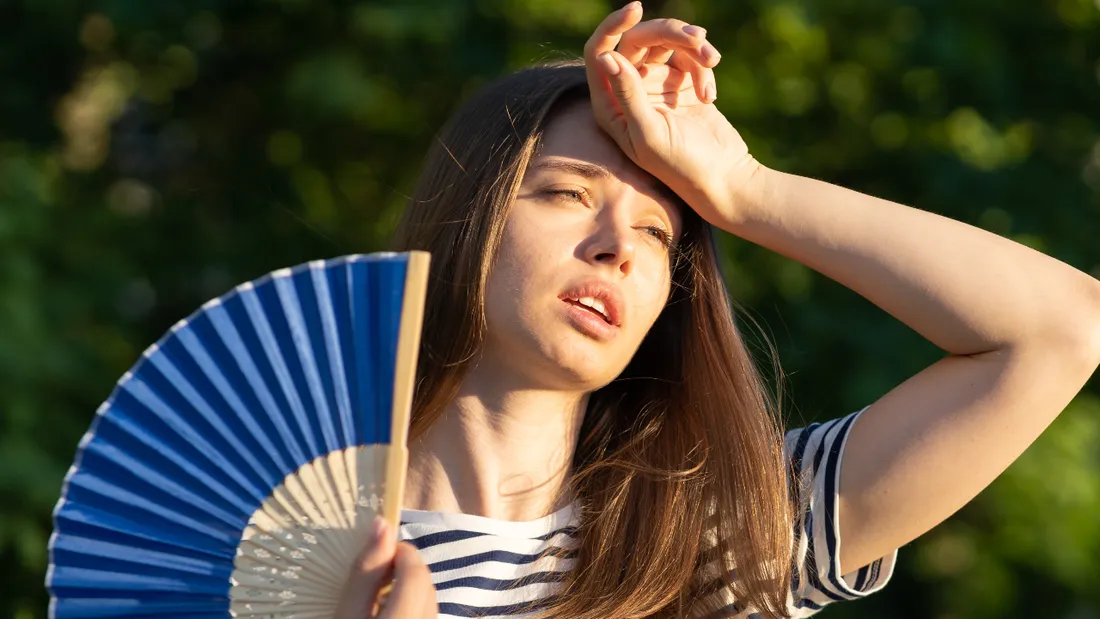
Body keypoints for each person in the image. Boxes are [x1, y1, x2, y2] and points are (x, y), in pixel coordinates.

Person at [334, 3, 1100, 618]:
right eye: (569, 193)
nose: (617, 248)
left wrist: (742, 189)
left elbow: (1061, 329)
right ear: (468, 215)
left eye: (657, 232)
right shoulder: (270, 550)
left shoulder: (708, 541)